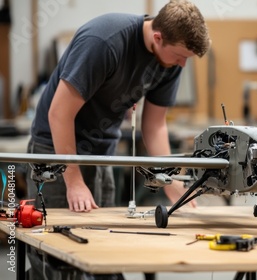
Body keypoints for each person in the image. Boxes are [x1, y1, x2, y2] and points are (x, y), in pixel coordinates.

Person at [26, 0, 210, 213]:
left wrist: (171, 181)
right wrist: (74, 181)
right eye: (180, 57)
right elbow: (59, 114)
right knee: (55, 235)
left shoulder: (170, 62)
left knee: (101, 237)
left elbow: (155, 125)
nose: (183, 64)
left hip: (103, 153)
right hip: (56, 152)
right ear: (158, 38)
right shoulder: (104, 42)